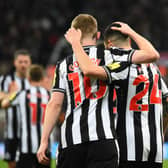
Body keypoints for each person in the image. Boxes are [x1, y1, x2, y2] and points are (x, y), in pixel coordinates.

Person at [37, 14, 159, 168]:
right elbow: (152, 55)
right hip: (103, 139)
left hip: (71, 141)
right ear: (98, 35)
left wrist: (44, 140)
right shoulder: (110, 56)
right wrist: (131, 32)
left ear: (74, 33)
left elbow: (54, 104)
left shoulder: (63, 65)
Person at [64, 21, 168, 168]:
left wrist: (75, 43)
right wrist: (160, 132)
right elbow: (167, 101)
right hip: (155, 146)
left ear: (108, 44)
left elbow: (88, 69)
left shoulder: (118, 60)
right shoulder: (153, 67)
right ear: (130, 40)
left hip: (128, 145)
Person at [1, 64, 51, 168]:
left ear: (28, 78)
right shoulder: (49, 94)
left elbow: (4, 104)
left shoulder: (21, 94)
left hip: (25, 146)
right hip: (45, 146)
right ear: (42, 78)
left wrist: (12, 93)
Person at [0, 49, 31, 168]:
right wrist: (12, 94)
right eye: (20, 62)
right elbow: (1, 100)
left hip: (30, 133)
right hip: (12, 132)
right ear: (15, 63)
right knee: (12, 165)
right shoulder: (5, 80)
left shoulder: (33, 81)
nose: (23, 65)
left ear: (30, 63)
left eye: (26, 62)